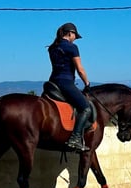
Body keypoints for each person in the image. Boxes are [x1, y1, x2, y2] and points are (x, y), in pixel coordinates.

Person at [48, 22, 91, 152]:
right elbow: (80, 69)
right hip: (65, 82)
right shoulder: (72, 48)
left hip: (52, 83)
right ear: (70, 33)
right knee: (86, 109)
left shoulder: (52, 48)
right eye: (74, 36)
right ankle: (75, 138)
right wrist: (87, 83)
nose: (74, 39)